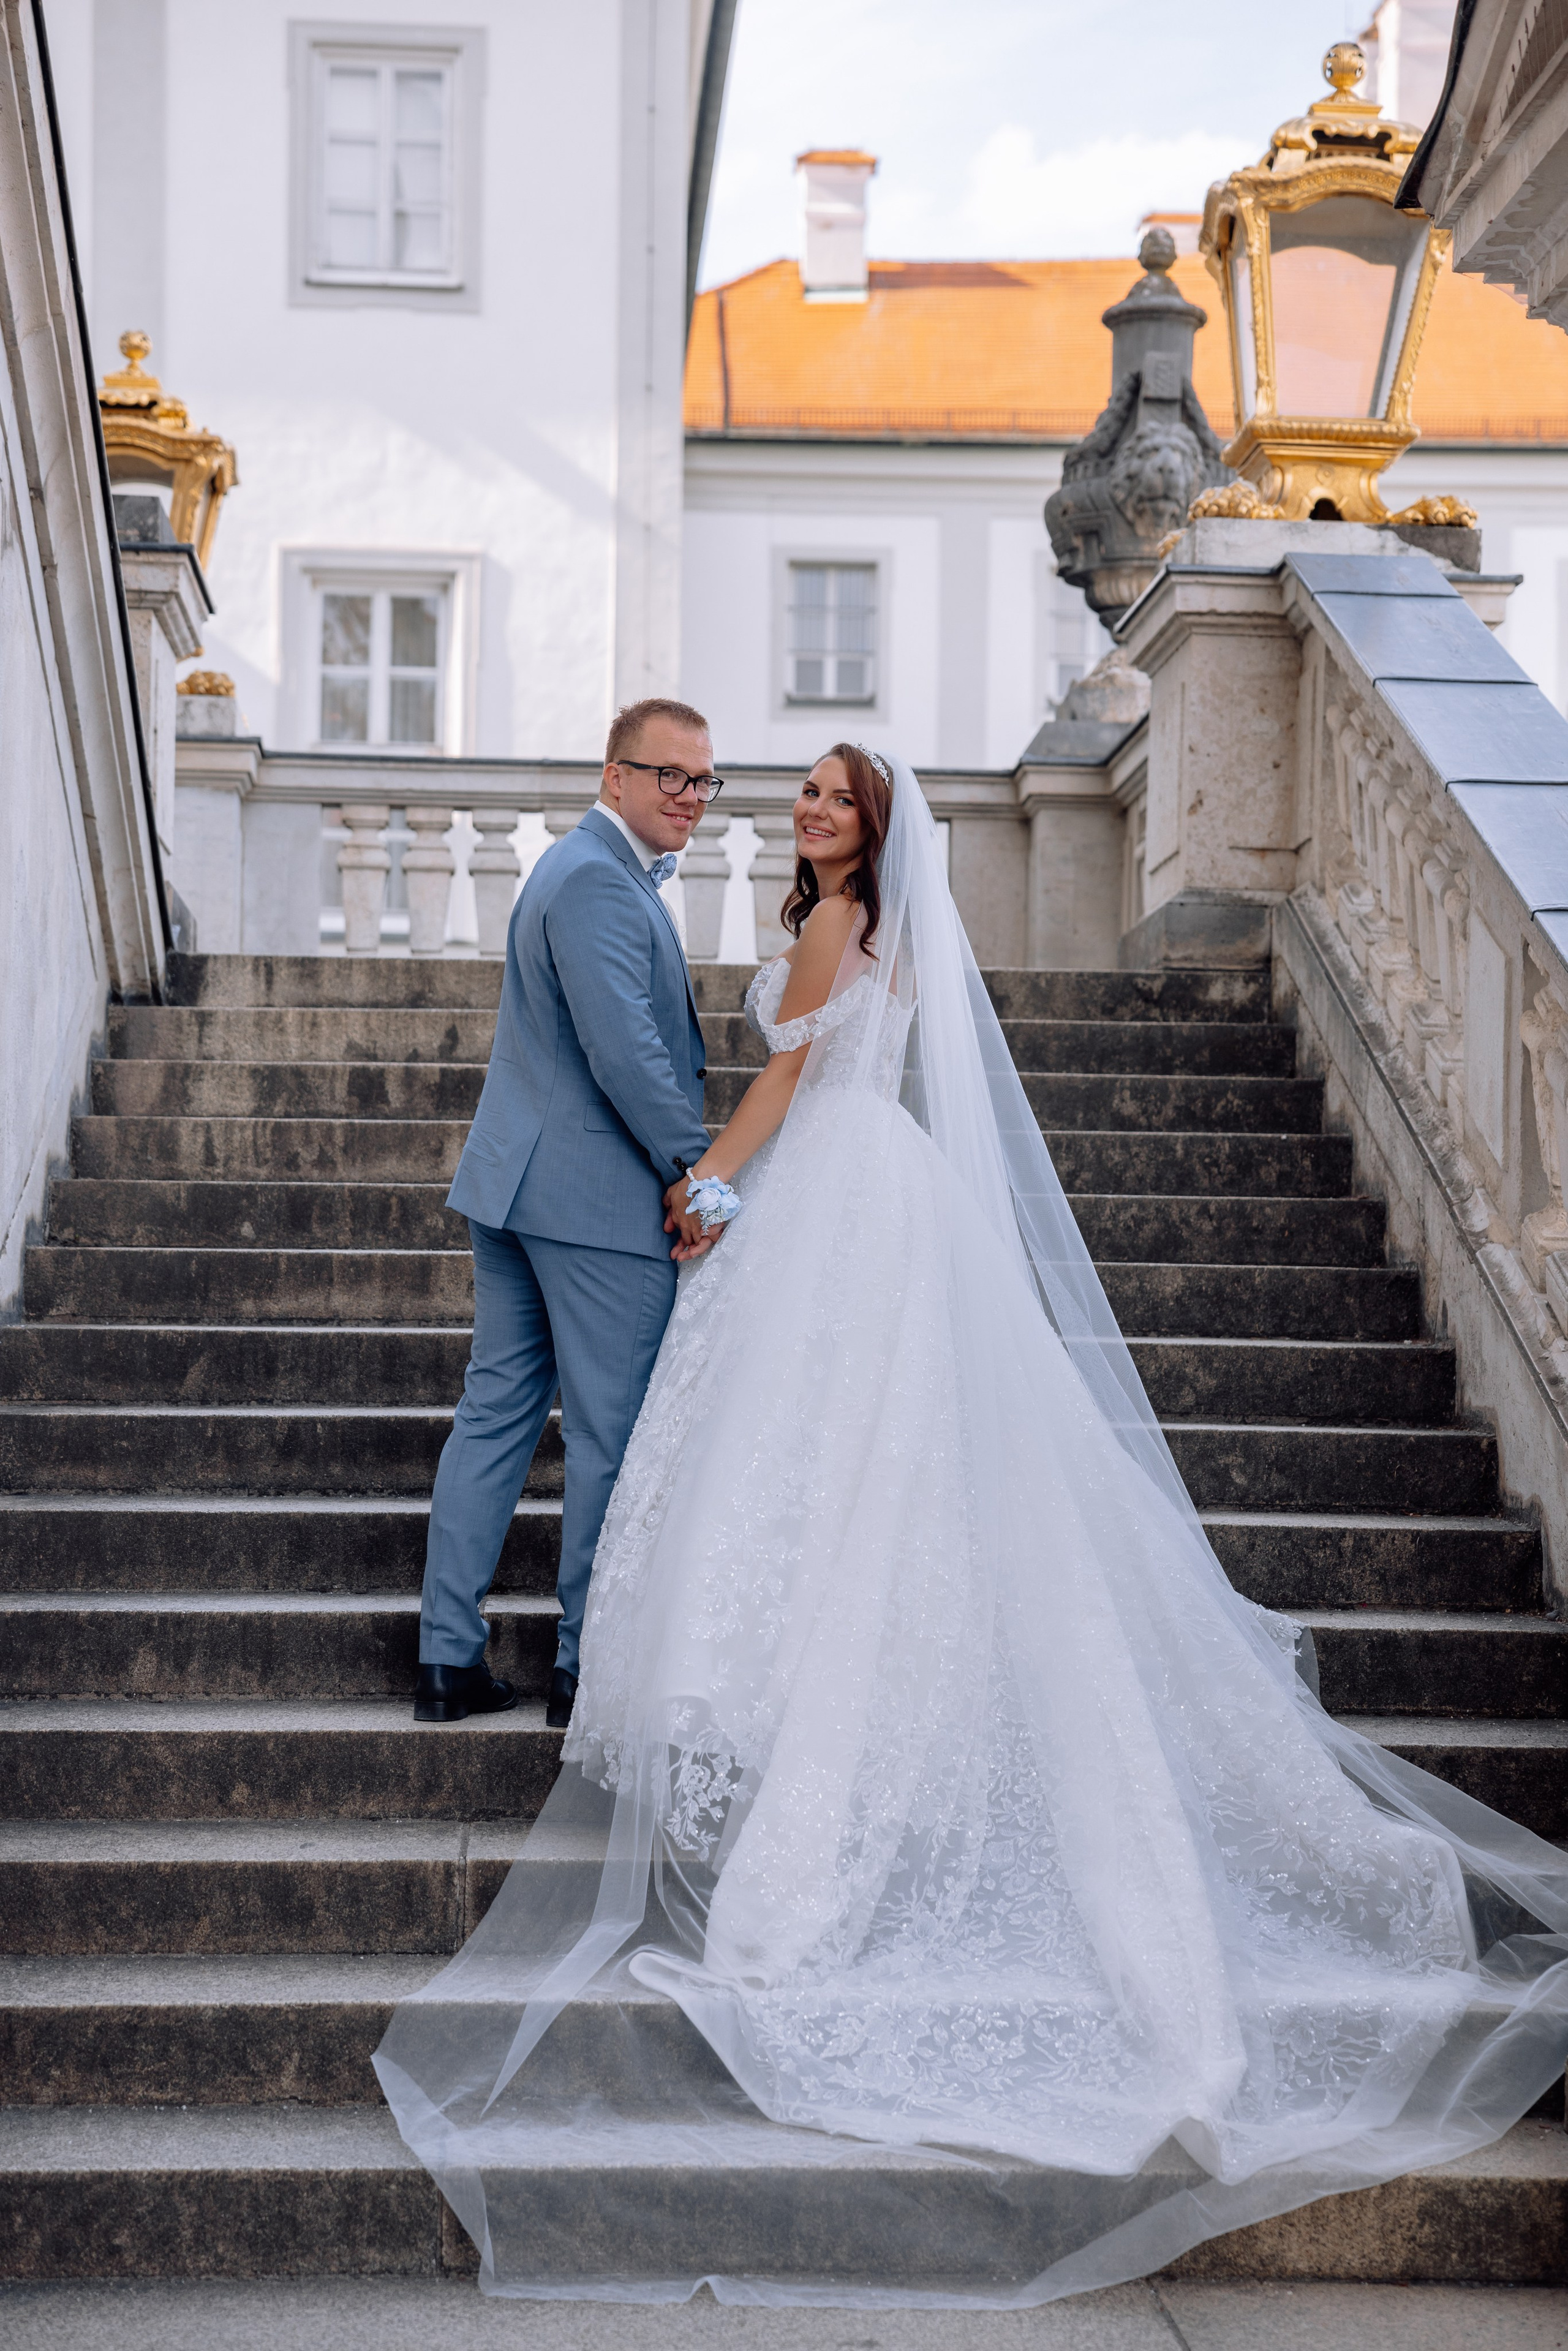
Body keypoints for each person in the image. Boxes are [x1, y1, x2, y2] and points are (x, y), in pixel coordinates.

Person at [379, 747, 1568, 2306]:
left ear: (872, 829)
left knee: (814, 1470)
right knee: (872, 1475)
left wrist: (709, 1195)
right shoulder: (881, 923)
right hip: (887, 1195)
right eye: (796, 793)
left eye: (827, 797)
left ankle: (790, 1724)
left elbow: (786, 1084)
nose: (803, 811)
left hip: (822, 1192)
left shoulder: (831, 922)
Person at [412, 696, 723, 1730]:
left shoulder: (581, 868)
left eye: (703, 780)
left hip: (514, 1185)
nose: (689, 796)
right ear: (615, 776)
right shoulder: (596, 877)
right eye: (669, 775)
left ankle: (448, 1659)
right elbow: (623, 1048)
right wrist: (691, 1166)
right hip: (589, 1202)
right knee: (609, 1437)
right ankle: (584, 1671)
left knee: (495, 1416)